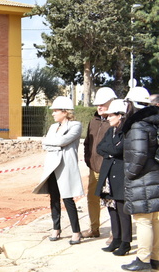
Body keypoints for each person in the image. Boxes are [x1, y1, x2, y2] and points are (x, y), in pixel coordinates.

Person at [34, 96, 84, 244]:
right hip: (52, 167)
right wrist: (54, 144)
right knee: (54, 199)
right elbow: (45, 144)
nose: (53, 113)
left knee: (68, 199)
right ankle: (56, 228)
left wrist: (52, 143)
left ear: (65, 112)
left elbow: (63, 141)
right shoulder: (52, 127)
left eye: (56, 111)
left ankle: (76, 231)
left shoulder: (75, 125)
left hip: (66, 167)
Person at [121, 87, 159, 272]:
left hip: (143, 179)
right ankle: (155, 258)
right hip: (154, 176)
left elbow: (139, 154)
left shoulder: (137, 126)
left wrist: (129, 173)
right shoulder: (152, 123)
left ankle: (143, 260)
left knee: (143, 221)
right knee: (154, 220)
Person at [95, 99, 131, 256]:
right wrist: (111, 151)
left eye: (111, 115)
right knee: (111, 208)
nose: (108, 118)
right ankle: (116, 238)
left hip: (120, 175)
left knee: (123, 210)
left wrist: (111, 151)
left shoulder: (126, 132)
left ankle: (126, 242)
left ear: (120, 115)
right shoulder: (111, 131)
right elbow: (99, 147)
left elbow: (119, 150)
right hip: (108, 175)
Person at [83, 87, 117, 239]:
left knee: (111, 200)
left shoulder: (115, 121)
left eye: (103, 103)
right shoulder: (93, 121)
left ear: (112, 102)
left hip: (110, 168)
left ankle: (114, 232)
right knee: (92, 198)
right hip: (94, 168)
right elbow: (87, 143)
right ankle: (94, 228)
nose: (100, 106)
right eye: (98, 104)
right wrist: (89, 161)